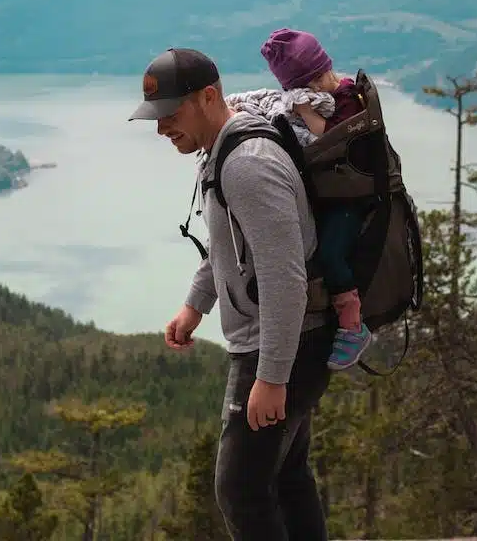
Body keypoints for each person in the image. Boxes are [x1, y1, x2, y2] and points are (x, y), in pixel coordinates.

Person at [128, 46, 334, 541]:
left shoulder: (247, 164)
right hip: (289, 340)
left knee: (240, 488)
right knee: (285, 477)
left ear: (208, 97)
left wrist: (272, 376)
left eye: (170, 115)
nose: (160, 129)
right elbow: (230, 247)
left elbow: (286, 278)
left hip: (282, 345)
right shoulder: (225, 148)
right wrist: (195, 304)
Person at [260, 27, 373, 370]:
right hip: (336, 193)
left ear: (321, 73)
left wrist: (306, 112)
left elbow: (331, 138)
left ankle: (353, 327)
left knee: (331, 253)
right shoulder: (332, 94)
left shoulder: (348, 98)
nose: (304, 94)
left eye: (306, 87)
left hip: (351, 199)